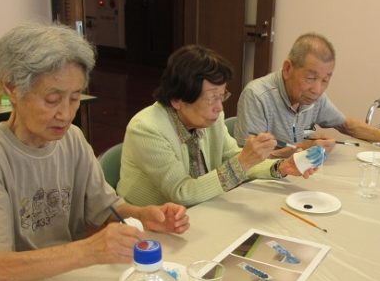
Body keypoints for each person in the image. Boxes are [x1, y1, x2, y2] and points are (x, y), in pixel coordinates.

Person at [0, 22, 190, 281]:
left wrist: (143, 215)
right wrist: (89, 250)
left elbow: (106, 207)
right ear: (12, 88)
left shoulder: (72, 139)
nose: (66, 114)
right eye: (52, 99)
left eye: (75, 98)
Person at [117, 44, 319, 207]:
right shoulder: (146, 129)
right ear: (177, 99)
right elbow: (182, 193)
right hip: (147, 226)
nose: (219, 107)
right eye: (212, 98)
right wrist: (244, 161)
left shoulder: (210, 119)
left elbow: (232, 156)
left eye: (222, 96)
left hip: (200, 211)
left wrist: (280, 166)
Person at [234, 32, 380, 157]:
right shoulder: (257, 96)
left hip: (295, 175)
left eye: (325, 80)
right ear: (287, 69)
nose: (317, 89)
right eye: (310, 78)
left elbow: (345, 125)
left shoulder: (313, 97)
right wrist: (301, 149)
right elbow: (246, 161)